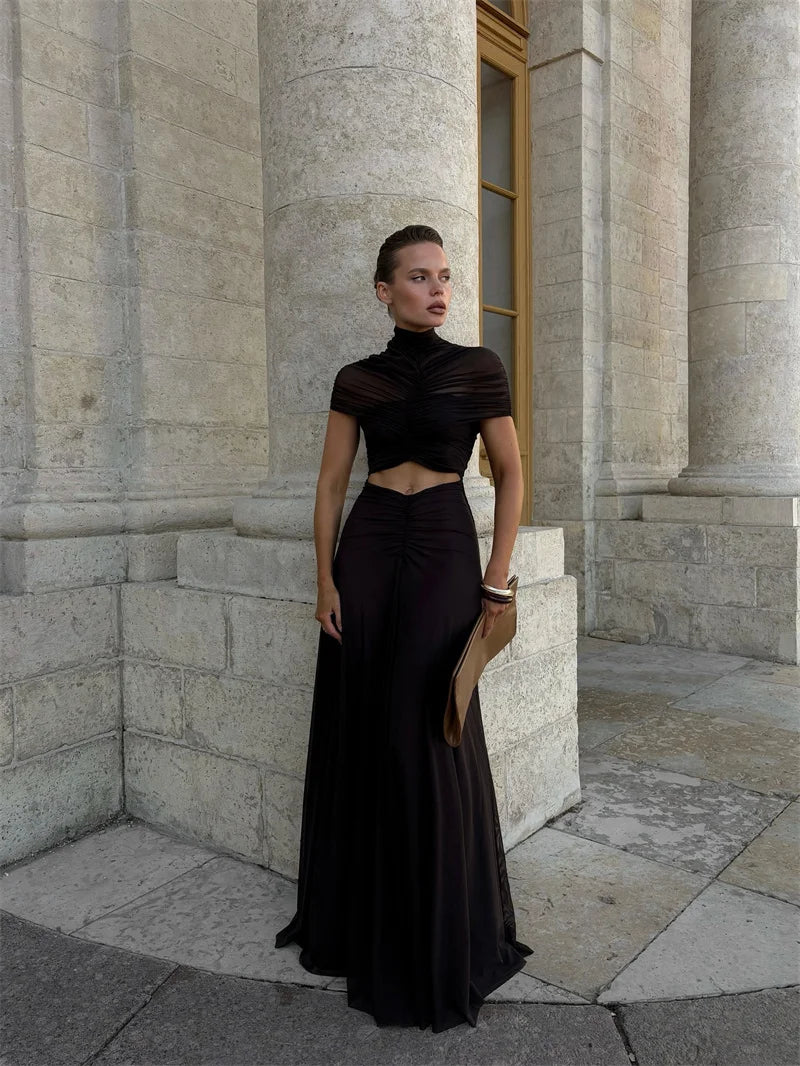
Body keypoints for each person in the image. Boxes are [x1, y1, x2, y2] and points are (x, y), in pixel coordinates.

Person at [274, 224, 532, 1033]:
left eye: (445, 276)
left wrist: (498, 576)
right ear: (385, 291)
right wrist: (324, 579)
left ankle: (438, 929)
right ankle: (364, 922)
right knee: (369, 727)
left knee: (432, 724)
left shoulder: (478, 367)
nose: (438, 289)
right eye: (419, 277)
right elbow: (329, 486)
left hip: (448, 542)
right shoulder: (357, 378)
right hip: (373, 542)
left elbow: (514, 472)